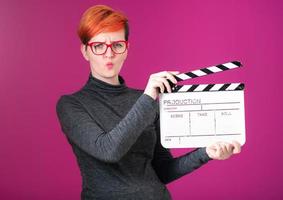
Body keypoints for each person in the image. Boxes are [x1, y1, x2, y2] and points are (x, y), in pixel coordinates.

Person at [56, 5, 241, 200]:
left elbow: (163, 171)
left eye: (117, 45)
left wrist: (206, 153)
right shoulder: (71, 105)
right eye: (98, 46)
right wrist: (147, 98)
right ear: (85, 51)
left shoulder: (145, 100)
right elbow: (108, 150)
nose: (109, 54)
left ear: (126, 49)